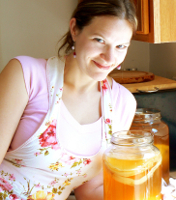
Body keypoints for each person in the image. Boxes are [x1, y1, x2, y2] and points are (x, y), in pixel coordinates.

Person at [0, 0, 137, 199]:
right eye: (99, 40)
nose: (109, 57)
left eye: (121, 46)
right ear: (74, 29)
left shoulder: (123, 104)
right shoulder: (25, 75)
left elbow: (91, 189)